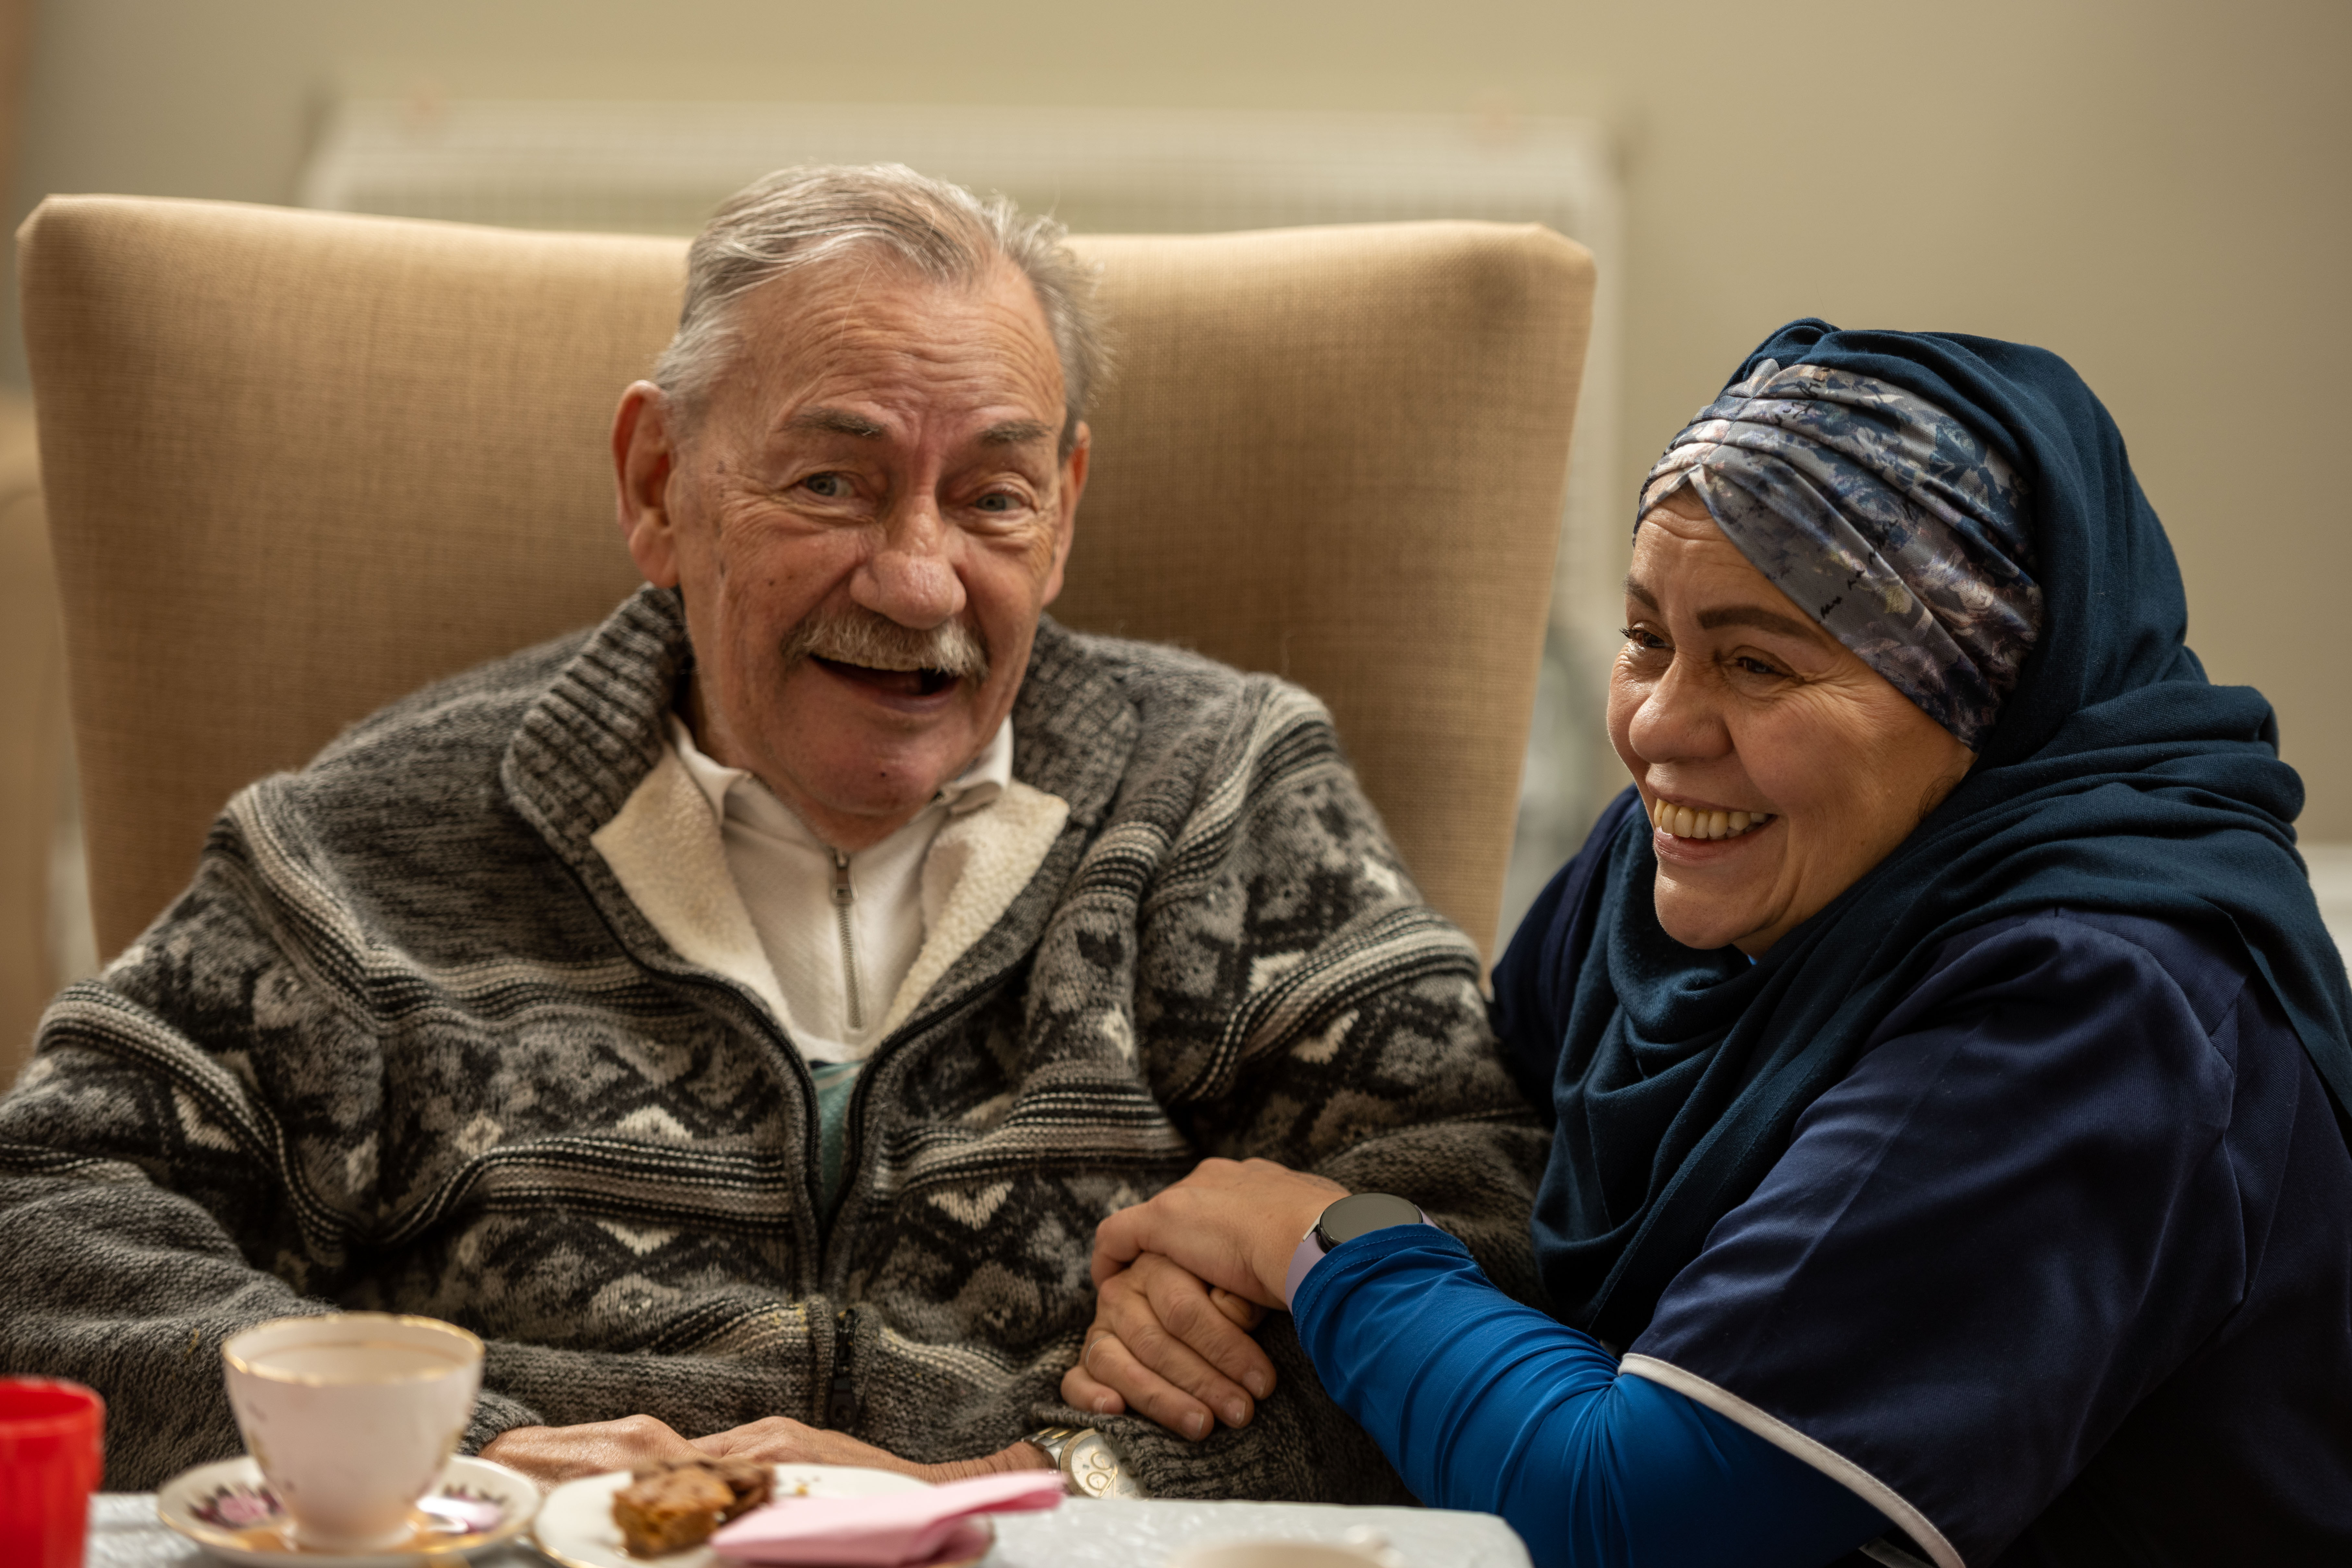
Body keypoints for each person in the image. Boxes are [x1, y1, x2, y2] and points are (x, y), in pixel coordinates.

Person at [0, 164, 1546, 1499]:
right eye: (834, 483)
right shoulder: (372, 852)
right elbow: (38, 1231)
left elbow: (1493, 1238)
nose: (920, 581)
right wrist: (444, 1448)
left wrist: (1051, 1482)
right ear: (660, 482)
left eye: (993, 498)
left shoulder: (1222, 800)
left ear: (1065, 510)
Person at [1069, 321, 2352, 1564]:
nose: (1659, 730)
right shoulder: (1666, 879)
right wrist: (1201, 1303)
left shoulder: (2089, 1010)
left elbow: (1630, 1514)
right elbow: (1484, 1199)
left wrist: (1315, 1244)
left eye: (1758, 665)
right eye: (1646, 639)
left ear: (1984, 695)